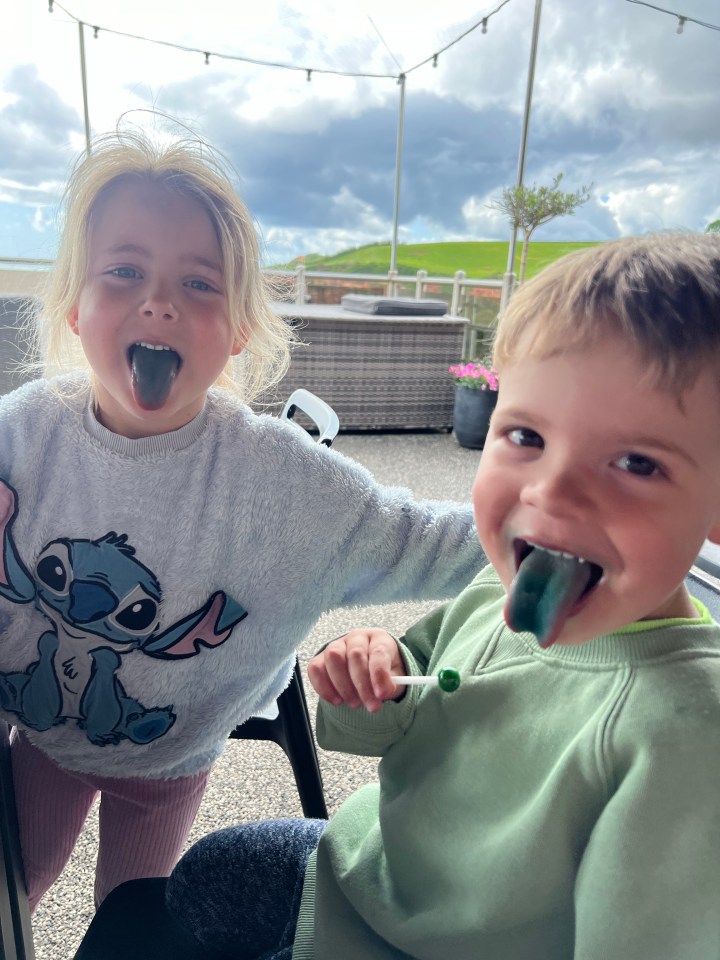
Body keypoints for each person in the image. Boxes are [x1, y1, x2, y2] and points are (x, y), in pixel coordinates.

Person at [151, 231, 720, 960]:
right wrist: (370, 673)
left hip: (432, 940)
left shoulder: (685, 738)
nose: (552, 493)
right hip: (377, 869)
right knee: (202, 879)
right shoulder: (496, 587)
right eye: (527, 435)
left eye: (636, 462)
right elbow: (379, 724)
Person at [0, 125, 486, 913]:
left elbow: (425, 537)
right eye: (123, 271)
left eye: (199, 283)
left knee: (136, 923)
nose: (158, 300)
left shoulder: (281, 483)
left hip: (169, 766)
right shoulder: (20, 435)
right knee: (13, 893)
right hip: (42, 744)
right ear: (76, 310)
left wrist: (557, 519)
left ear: (238, 333)